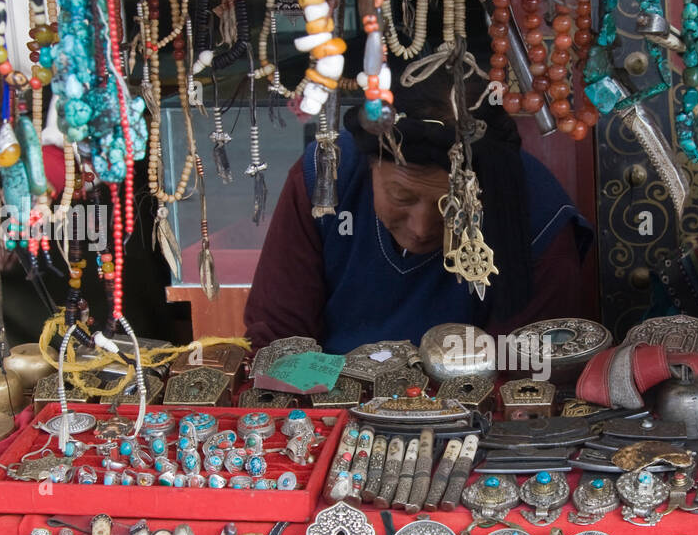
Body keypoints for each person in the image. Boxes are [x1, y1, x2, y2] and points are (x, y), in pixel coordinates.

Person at [244, 71, 594, 354]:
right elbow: (278, 342)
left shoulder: (539, 217)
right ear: (369, 166)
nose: (422, 227)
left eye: (452, 207)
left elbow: (528, 373)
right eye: (401, 195)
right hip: (333, 403)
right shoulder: (327, 177)